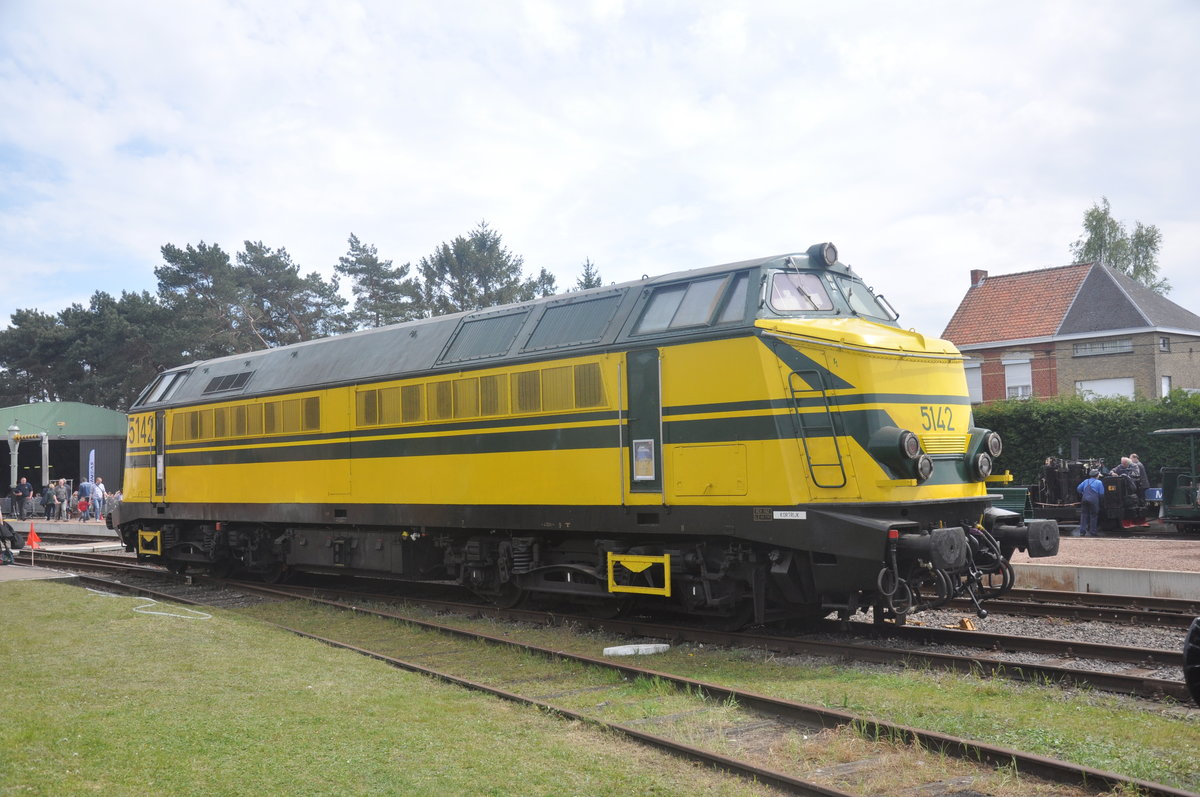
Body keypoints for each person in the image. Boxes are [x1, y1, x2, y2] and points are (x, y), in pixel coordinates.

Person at [1077, 468, 1104, 537]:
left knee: (1084, 515)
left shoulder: (1086, 481)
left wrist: (1083, 493)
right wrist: (1101, 502)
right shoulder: (1099, 482)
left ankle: (1082, 532)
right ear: (1097, 475)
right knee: (1093, 515)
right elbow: (1101, 494)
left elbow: (1078, 488)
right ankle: (1093, 532)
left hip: (1084, 499)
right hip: (1094, 500)